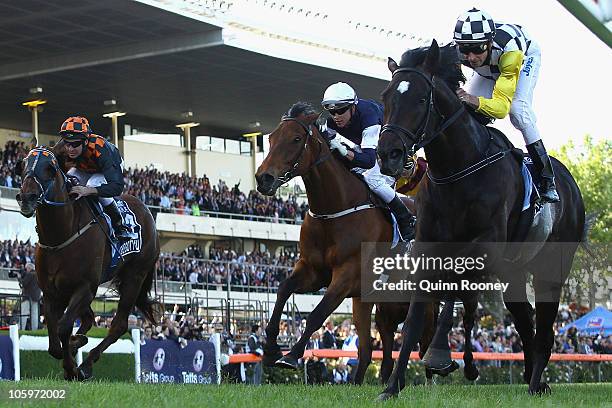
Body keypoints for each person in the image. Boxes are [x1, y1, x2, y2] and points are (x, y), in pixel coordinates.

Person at [453, 8, 559, 203]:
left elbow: (501, 108)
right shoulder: (458, 51)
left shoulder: (511, 51)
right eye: (465, 49)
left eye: (477, 49)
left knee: (518, 111)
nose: (471, 57)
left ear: (489, 42)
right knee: (465, 110)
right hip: (490, 67)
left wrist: (472, 99)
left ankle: (547, 177)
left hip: (523, 58)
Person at [321, 82, 416, 241]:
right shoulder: (331, 123)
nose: (336, 116)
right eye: (331, 111)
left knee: (372, 179)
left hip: (392, 151)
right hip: (372, 150)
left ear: (353, 106)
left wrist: (344, 150)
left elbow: (368, 161)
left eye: (341, 110)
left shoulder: (369, 116)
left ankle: (405, 219)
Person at [55, 116, 137, 241]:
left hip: (104, 170)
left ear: (86, 141)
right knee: (68, 181)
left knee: (92, 184)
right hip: (84, 167)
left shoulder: (103, 150)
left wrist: (88, 191)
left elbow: (117, 187)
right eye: (67, 143)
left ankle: (120, 225)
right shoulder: (62, 148)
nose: (70, 149)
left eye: (75, 144)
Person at [13, 262, 41, 330]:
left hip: (28, 297)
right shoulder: (38, 275)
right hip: (36, 297)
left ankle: (21, 328)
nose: (26, 270)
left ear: (29, 268)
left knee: (24, 314)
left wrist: (19, 277)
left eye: (26, 268)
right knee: (34, 315)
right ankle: (34, 329)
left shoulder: (30, 274)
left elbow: (24, 283)